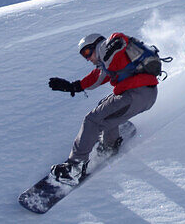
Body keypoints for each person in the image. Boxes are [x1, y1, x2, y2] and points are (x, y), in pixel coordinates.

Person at [47, 31, 159, 184]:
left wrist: (115, 42)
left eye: (87, 52)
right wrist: (72, 86)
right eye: (84, 56)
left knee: (92, 120)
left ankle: (75, 168)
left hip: (135, 93)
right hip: (144, 94)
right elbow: (96, 78)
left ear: (95, 45)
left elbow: (118, 38)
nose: (88, 58)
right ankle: (109, 145)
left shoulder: (106, 48)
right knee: (103, 109)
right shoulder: (109, 61)